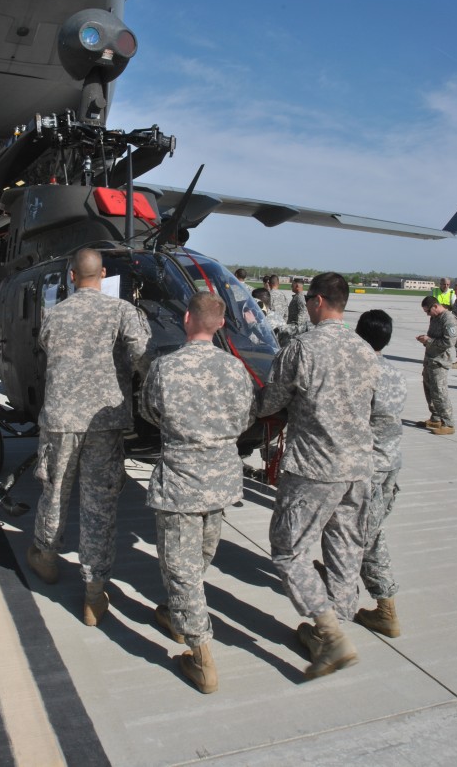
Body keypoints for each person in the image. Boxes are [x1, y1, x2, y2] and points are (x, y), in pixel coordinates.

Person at [257, 272, 380, 679]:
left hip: (314, 467)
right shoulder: (365, 350)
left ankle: (330, 635)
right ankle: (337, 621)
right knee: (345, 549)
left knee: (289, 551)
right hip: (358, 468)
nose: (308, 304)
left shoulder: (303, 347)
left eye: (310, 298)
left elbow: (272, 400)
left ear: (319, 302)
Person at [28, 247, 152, 625]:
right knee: (99, 504)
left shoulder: (55, 314)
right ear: (102, 276)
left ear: (71, 277)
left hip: (61, 420)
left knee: (55, 492)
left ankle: (47, 559)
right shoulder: (121, 312)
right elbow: (143, 358)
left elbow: (46, 347)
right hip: (105, 422)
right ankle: (94, 593)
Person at [140, 292, 255, 693]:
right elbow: (245, 419)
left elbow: (149, 412)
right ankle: (179, 612)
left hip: (181, 481)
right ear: (221, 323)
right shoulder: (236, 370)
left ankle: (201, 655)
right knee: (201, 556)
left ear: (187, 317)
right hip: (220, 481)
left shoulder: (164, 368)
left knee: (182, 567)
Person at [353, 310, 407, 638]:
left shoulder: (362, 373)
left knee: (367, 537)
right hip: (390, 465)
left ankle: (386, 607)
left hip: (369, 469)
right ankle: (336, 571)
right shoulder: (394, 372)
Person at [416, 296, 457, 435]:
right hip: (430, 359)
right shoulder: (434, 318)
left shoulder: (449, 319)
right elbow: (432, 336)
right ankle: (436, 418)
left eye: (428, 311)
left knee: (440, 392)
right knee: (429, 389)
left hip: (439, 361)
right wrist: (425, 340)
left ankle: (448, 423)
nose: (427, 314)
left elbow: (449, 342)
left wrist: (430, 340)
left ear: (435, 306)